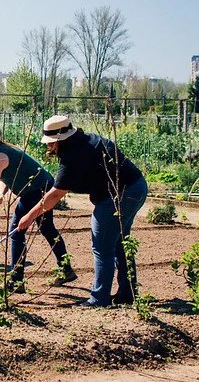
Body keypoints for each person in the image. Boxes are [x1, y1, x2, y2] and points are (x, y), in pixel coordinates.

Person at [18, 115, 148, 307]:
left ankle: (99, 299)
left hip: (120, 194)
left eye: (52, 142)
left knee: (102, 245)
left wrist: (29, 217)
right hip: (135, 187)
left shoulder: (74, 156)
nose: (50, 147)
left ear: (62, 138)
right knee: (120, 242)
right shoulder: (83, 141)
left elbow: (54, 196)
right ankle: (127, 293)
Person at [0, 123, 75, 292]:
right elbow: (6, 177)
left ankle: (16, 281)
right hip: (41, 186)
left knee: (16, 233)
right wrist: (1, 193)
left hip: (37, 190)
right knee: (47, 229)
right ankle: (66, 268)